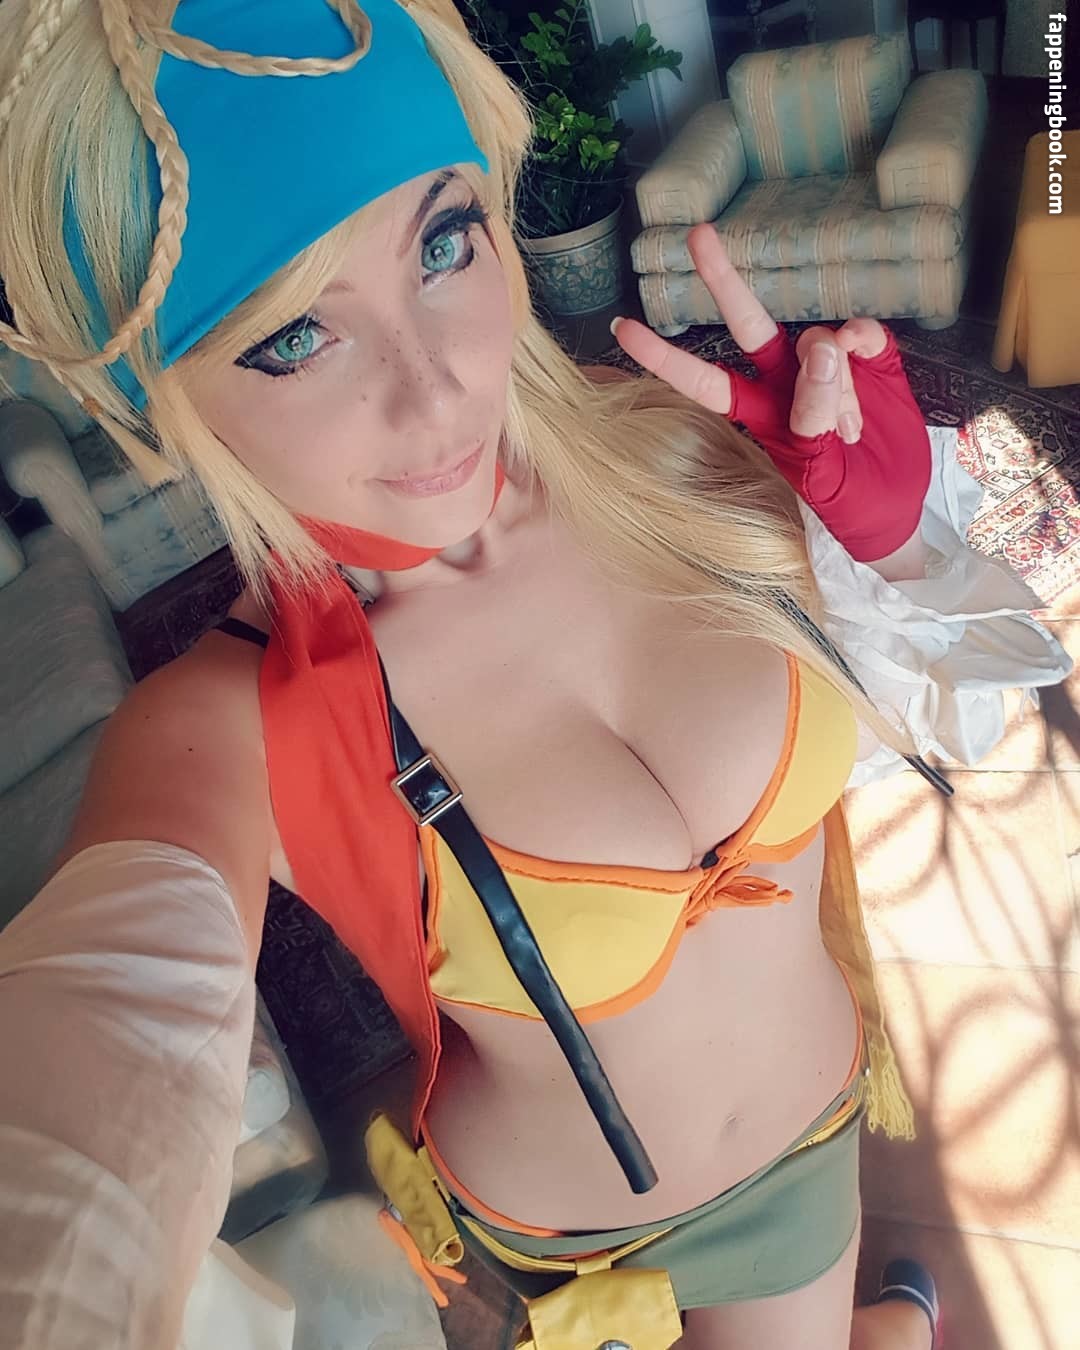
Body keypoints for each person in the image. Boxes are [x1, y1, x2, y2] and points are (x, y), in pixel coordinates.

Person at [2, 0, 1035, 1346]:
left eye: (441, 243)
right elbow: (84, 1110)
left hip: (810, 1122)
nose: (436, 390)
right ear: (169, 396)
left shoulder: (679, 446)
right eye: (293, 335)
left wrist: (896, 542)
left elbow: (968, 695)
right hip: (572, 1228)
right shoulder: (224, 723)